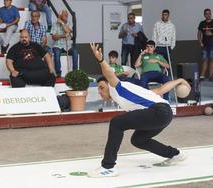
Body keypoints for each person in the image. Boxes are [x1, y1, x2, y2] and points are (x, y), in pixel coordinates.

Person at [87, 43, 187, 178]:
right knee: (138, 140)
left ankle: (108, 167)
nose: (100, 92)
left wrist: (100, 60)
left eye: (101, 87)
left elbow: (109, 74)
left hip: (158, 112)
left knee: (117, 123)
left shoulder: (116, 87)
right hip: (165, 114)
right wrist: (179, 80)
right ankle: (175, 154)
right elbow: (160, 90)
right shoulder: (131, 90)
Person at [51, 10, 78, 77]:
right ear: (60, 16)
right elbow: (54, 37)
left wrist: (62, 23)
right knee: (56, 54)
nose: (66, 16)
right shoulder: (55, 24)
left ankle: (75, 72)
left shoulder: (70, 23)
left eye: (67, 15)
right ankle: (58, 73)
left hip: (68, 46)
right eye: (64, 14)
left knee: (75, 52)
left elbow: (68, 31)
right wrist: (63, 36)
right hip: (57, 45)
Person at [197, 8, 213, 81]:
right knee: (205, 60)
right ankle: (202, 76)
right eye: (206, 13)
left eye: (209, 13)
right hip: (204, 46)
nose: (208, 15)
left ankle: (211, 76)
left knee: (211, 60)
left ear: (211, 14)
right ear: (204, 15)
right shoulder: (202, 23)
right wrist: (200, 43)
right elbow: (198, 34)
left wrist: (211, 33)